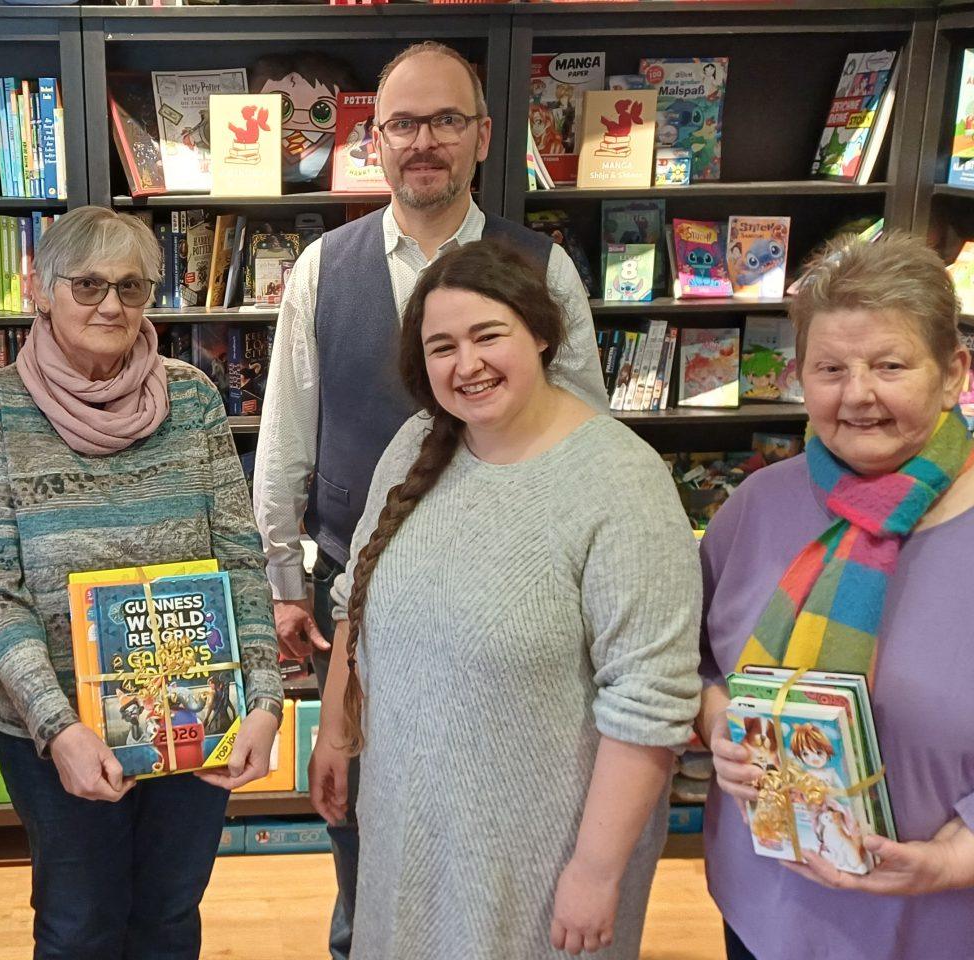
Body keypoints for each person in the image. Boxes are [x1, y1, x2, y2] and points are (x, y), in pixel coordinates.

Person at [251, 40, 608, 959]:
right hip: (358, 594)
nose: (423, 141)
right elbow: (285, 437)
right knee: (360, 819)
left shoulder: (543, 269)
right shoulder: (322, 269)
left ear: (483, 136)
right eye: (402, 123)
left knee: (494, 822)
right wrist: (283, 582)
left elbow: (590, 445)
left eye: (446, 119)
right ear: (374, 140)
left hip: (512, 599)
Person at [306, 238, 701, 960]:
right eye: (442, 347)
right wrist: (335, 730)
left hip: (537, 863)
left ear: (541, 332)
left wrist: (596, 870)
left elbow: (650, 703)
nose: (468, 365)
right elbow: (354, 597)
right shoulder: (416, 444)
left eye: (488, 335)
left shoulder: (621, 481)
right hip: (406, 836)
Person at [0, 205, 283, 960]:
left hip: (194, 713)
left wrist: (263, 701)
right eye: (88, 284)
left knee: (169, 916)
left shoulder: (192, 398)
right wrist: (58, 729)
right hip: (56, 731)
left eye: (131, 287)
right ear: (42, 291)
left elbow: (239, 557)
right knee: (79, 927)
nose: (111, 305)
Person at [697, 233, 974, 960]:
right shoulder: (755, 507)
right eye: (830, 369)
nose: (857, 395)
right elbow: (700, 665)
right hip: (764, 911)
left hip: (935, 925)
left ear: (953, 373)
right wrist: (721, 725)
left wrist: (952, 860)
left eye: (889, 365)